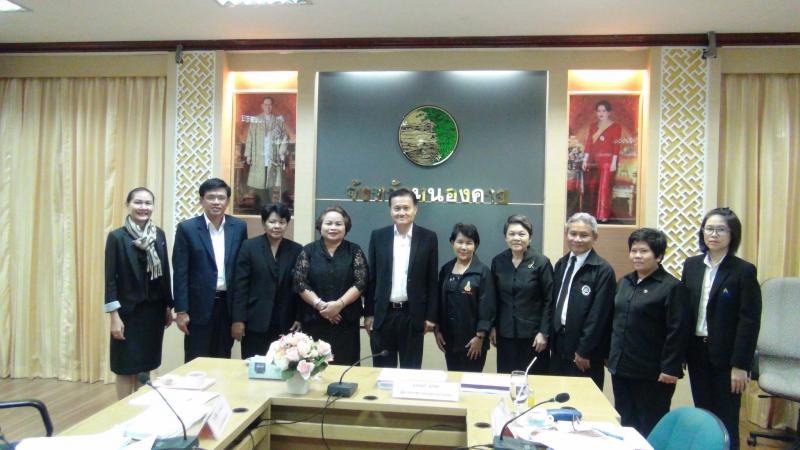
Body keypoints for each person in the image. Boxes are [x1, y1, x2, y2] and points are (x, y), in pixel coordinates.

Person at [682, 207, 761, 450]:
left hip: (728, 358)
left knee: (726, 418)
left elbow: (749, 321)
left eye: (720, 230)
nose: (713, 234)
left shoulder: (743, 270)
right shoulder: (692, 265)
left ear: (732, 234)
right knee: (703, 415)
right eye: (709, 229)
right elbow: (685, 311)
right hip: (697, 351)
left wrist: (741, 365)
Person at [607, 228, 690, 437]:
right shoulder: (624, 282)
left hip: (653, 374)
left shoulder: (672, 287)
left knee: (650, 426)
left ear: (659, 256)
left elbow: (678, 331)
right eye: (633, 251)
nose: (637, 256)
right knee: (626, 423)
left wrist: (670, 368)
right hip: (622, 368)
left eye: (644, 251)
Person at [104, 187, 173, 399]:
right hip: (127, 313)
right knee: (125, 366)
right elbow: (110, 279)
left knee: (146, 365)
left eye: (148, 203)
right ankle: (123, 411)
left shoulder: (158, 234)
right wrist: (114, 316)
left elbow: (165, 273)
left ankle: (141, 410)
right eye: (138, 202)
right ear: (128, 205)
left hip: (153, 312)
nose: (143, 207)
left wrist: (168, 306)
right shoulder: (117, 237)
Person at [173, 178, 248, 362]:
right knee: (195, 360)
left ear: (227, 201)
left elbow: (242, 273)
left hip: (227, 306)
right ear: (201, 200)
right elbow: (180, 272)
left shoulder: (239, 227)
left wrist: (239, 315)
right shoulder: (187, 228)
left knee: (222, 359)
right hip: (198, 308)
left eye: (221, 198)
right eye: (211, 197)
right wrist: (181, 310)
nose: (216, 202)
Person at [364, 188, 439, 369]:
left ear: (415, 209)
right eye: (397, 208)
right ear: (390, 210)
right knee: (382, 370)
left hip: (412, 315)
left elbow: (432, 280)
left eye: (406, 208)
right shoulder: (378, 236)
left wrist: (431, 316)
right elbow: (372, 278)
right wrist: (369, 313)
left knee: (411, 371)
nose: (401, 212)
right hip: (384, 314)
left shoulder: (428, 237)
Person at [294, 206, 367, 365]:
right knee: (314, 366)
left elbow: (361, 281)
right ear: (320, 226)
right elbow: (300, 282)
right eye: (328, 223)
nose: (333, 228)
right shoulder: (308, 251)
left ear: (346, 227)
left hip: (345, 321)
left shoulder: (354, 251)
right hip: (315, 320)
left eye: (338, 224)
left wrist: (339, 305)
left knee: (345, 365)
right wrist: (321, 306)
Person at [549, 212, 616, 389]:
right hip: (559, 345)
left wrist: (584, 350)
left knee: (583, 398)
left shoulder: (602, 270)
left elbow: (599, 316)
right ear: (566, 234)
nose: (577, 239)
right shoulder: (561, 264)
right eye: (573, 234)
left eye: (584, 235)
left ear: (595, 237)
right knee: (556, 394)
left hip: (583, 350)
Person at [232, 203, 302, 359]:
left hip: (286, 321)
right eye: (272, 222)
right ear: (264, 223)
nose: (277, 226)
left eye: (282, 222)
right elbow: (240, 286)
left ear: (287, 224)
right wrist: (238, 319)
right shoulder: (249, 247)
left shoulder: (296, 250)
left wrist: (299, 317)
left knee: (284, 366)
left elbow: (299, 287)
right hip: (255, 320)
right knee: (255, 366)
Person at [490, 215, 554, 374]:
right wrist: (492, 327)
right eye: (511, 234)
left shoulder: (541, 262)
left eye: (521, 234)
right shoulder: (498, 262)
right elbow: (493, 298)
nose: (516, 238)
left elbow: (549, 300)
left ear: (530, 238)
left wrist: (544, 333)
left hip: (534, 338)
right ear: (505, 237)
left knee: (534, 380)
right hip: (505, 335)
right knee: (507, 378)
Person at [434, 224, 496, 372]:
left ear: (475, 245)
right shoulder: (446, 269)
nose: (464, 247)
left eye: (469, 243)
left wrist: (480, 337)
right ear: (452, 243)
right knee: (453, 379)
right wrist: (437, 330)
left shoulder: (482, 272)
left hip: (473, 342)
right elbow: (439, 302)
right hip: (449, 340)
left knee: (471, 381)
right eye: (460, 242)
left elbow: (487, 307)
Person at [582, 100, 622, 222]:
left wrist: (614, 163)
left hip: (607, 162)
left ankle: (603, 215)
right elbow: (589, 143)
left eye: (604, 111)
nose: (601, 113)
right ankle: (593, 215)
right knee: (592, 188)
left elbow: (616, 146)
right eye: (599, 111)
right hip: (593, 162)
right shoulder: (593, 126)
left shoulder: (615, 126)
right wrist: (585, 160)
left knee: (604, 189)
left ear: (609, 112)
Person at [245, 96, 290, 200]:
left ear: (272, 106)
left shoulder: (278, 121)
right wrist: (248, 155)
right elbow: (250, 137)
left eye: (270, 105)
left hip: (272, 155)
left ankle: (270, 204)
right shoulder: (255, 120)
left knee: (271, 183)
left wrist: (281, 152)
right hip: (258, 155)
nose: (268, 107)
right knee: (259, 183)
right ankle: (262, 203)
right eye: (266, 105)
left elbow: (285, 137)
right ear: (262, 106)